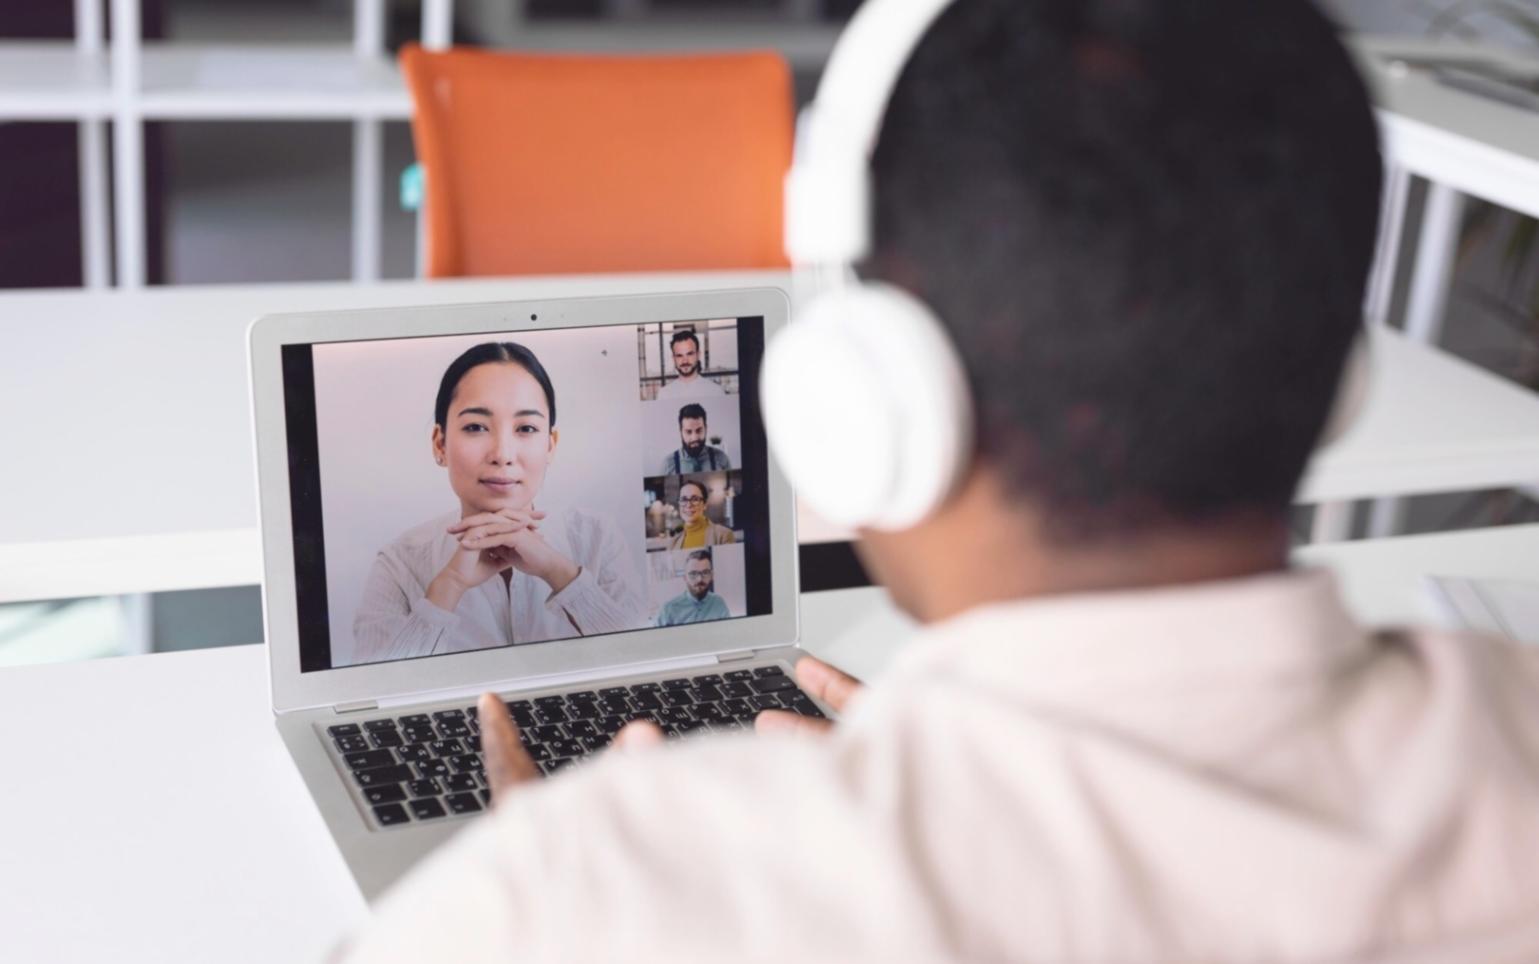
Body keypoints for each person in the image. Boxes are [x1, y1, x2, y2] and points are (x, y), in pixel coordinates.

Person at [339, 2, 1539, 961]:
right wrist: (951, 786)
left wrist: (570, 880)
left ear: (864, 402)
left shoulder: (593, 890)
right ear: (1337, 381)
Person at [352, 342, 644, 663]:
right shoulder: (399, 563)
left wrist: (557, 572)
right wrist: (448, 587)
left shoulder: (598, 539)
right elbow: (376, 693)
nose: (502, 455)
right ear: (440, 444)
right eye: (476, 427)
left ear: (550, 445)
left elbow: (646, 667)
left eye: (526, 428)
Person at [654, 549, 732, 627]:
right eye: (693, 574)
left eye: (705, 573)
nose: (700, 579)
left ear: (712, 576)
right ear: (685, 577)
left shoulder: (719, 603)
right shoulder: (668, 609)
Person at [657, 402, 732, 475]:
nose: (694, 438)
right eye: (688, 432)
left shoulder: (722, 459)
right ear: (680, 432)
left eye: (699, 430)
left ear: (706, 428)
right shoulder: (667, 465)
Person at [666, 479, 736, 551]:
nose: (689, 505)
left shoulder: (723, 535)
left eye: (695, 499)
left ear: (705, 505)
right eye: (684, 499)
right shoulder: (672, 544)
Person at [653, 329, 725, 399]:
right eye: (679, 355)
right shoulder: (664, 394)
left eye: (689, 354)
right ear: (673, 358)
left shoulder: (715, 392)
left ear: (698, 355)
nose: (685, 361)